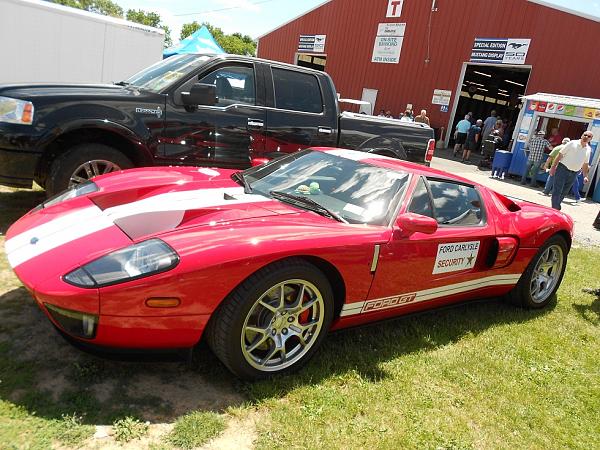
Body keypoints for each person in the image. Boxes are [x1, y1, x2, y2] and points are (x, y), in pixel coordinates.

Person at [549, 131, 593, 210]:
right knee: (557, 189)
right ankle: (555, 208)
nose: (586, 137)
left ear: (591, 139)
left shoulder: (588, 149)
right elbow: (560, 154)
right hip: (562, 169)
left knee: (565, 191)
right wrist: (553, 167)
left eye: (589, 136)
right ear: (582, 135)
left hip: (574, 173)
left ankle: (556, 206)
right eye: (585, 135)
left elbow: (585, 164)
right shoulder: (572, 143)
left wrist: (585, 176)